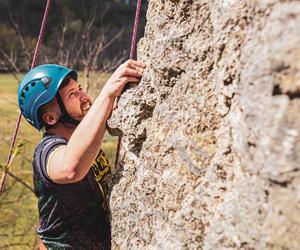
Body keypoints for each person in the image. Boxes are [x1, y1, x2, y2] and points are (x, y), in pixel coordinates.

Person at [17, 60, 145, 249]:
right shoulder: (47, 150)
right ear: (51, 118)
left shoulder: (83, 140)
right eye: (72, 95)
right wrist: (107, 93)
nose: (84, 96)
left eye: (80, 88)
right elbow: (70, 169)